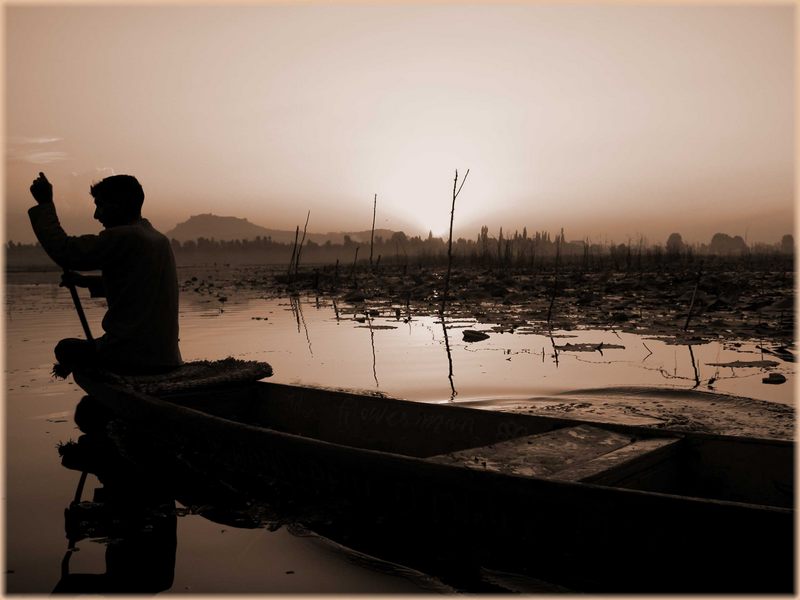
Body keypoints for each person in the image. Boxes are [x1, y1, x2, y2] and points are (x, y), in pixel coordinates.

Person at [28, 172, 182, 375]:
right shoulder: (158, 239)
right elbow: (134, 287)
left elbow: (65, 251)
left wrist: (45, 203)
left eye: (100, 205)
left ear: (117, 205)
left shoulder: (123, 236)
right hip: (166, 355)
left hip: (131, 355)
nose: (96, 215)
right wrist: (85, 282)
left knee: (65, 348)